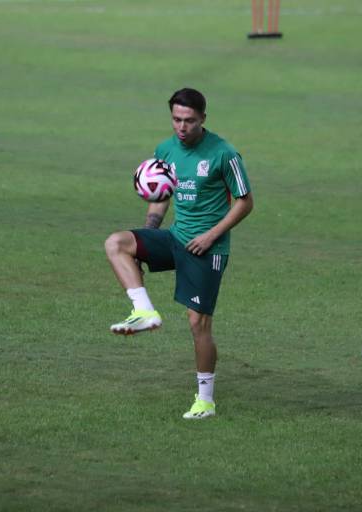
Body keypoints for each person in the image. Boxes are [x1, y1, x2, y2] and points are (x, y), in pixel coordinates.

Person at [105, 88, 254, 419]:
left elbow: (245, 201)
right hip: (175, 236)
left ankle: (205, 400)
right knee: (117, 244)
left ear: (203, 119)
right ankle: (144, 312)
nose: (181, 127)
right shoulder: (165, 149)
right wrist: (151, 228)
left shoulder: (224, 154)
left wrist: (212, 234)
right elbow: (162, 193)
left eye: (189, 121)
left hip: (208, 247)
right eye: (176, 119)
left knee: (197, 323)